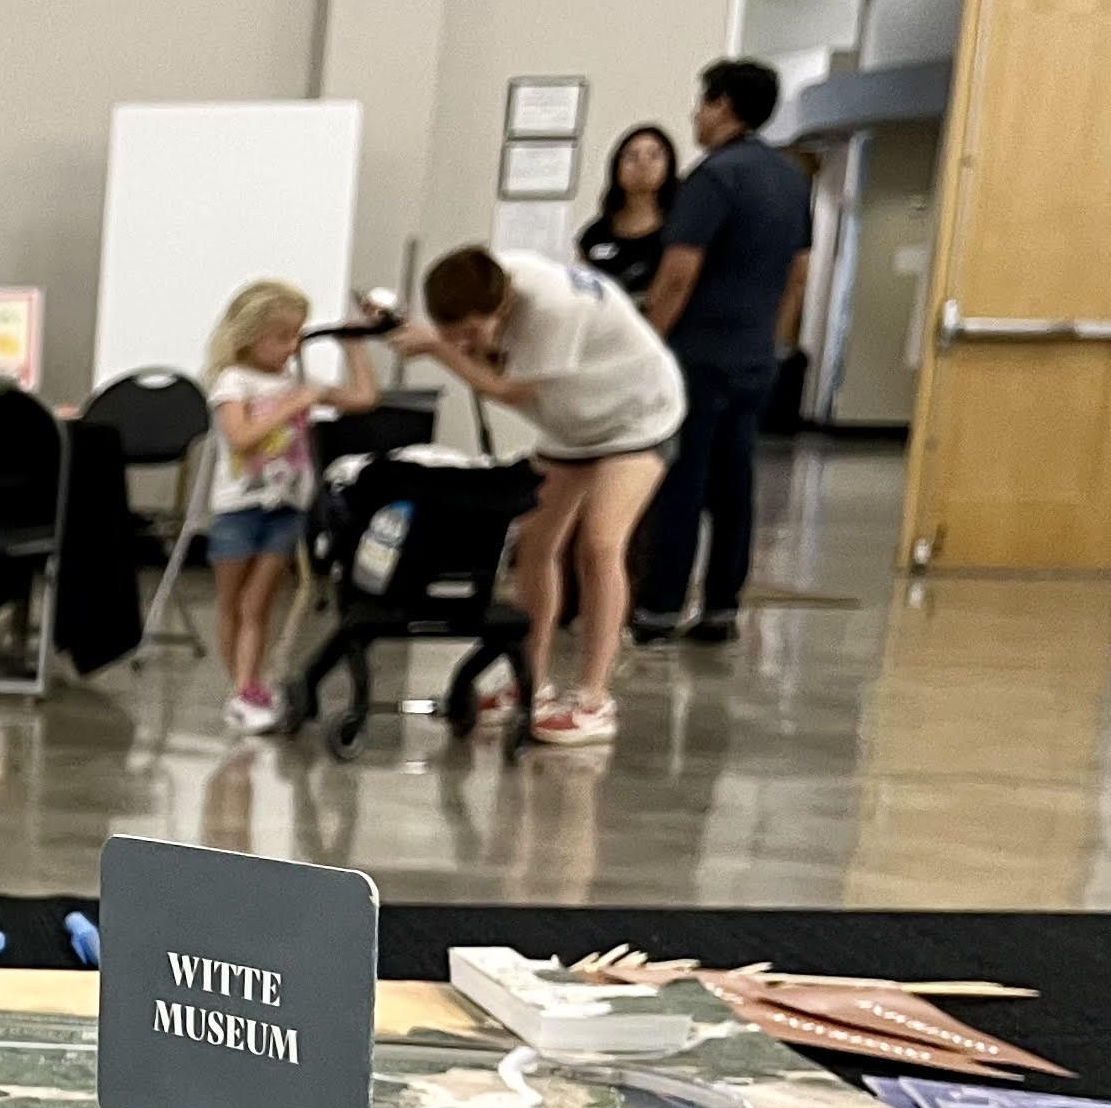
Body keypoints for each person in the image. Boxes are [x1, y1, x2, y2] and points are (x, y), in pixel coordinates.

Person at [396, 244, 685, 749]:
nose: (464, 340)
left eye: (471, 328)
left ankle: (594, 699)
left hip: (637, 418)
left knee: (598, 545)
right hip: (571, 426)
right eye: (453, 329)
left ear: (501, 305)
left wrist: (439, 350)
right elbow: (487, 354)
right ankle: (529, 682)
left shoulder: (552, 309)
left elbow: (506, 391)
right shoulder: (489, 281)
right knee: (534, 543)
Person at [632, 57, 814, 647]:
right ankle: (721, 609)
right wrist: (776, 341)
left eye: (704, 102)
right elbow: (799, 273)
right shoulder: (790, 179)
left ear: (725, 106)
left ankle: (658, 608)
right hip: (755, 355)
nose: (696, 115)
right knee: (736, 484)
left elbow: (679, 274)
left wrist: (648, 344)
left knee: (682, 481)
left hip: (699, 355)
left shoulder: (714, 178)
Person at [201, 281, 378, 736]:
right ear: (249, 336)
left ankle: (250, 686)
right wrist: (291, 406)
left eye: (297, 336)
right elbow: (241, 436)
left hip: (287, 507)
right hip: (238, 508)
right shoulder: (232, 382)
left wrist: (355, 346)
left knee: (259, 602)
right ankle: (240, 688)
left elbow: (363, 398)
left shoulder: (297, 383)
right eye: (280, 337)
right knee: (233, 603)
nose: (291, 347)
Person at [578, 125, 681, 302]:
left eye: (654, 156)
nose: (643, 164)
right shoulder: (594, 235)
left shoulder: (681, 230)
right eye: (631, 157)